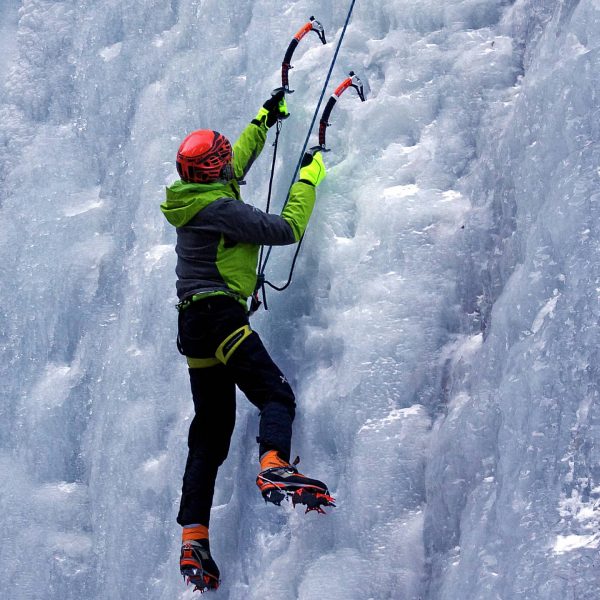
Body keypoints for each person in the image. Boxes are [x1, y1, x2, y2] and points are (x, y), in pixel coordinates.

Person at [160, 90, 333, 593]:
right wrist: (309, 175)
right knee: (274, 393)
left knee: (211, 433)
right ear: (209, 172)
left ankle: (194, 538)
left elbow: (236, 157)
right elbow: (286, 227)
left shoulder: (192, 197)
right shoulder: (219, 208)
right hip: (219, 317)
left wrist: (265, 116)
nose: (225, 164)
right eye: (219, 161)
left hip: (194, 328)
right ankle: (273, 466)